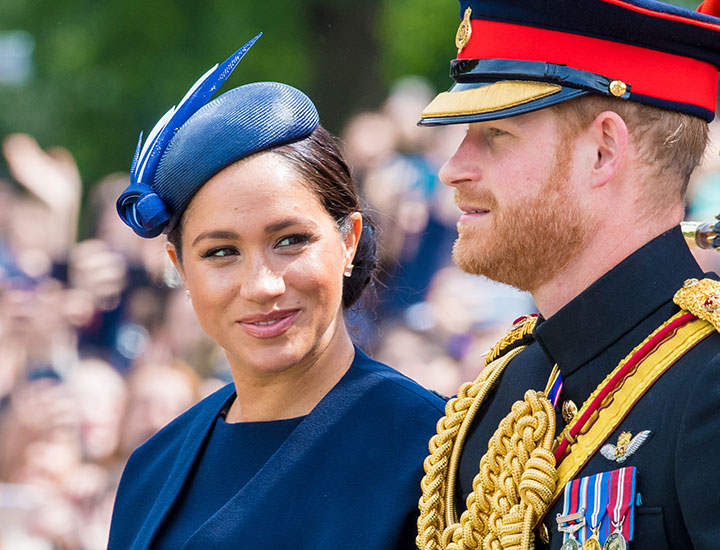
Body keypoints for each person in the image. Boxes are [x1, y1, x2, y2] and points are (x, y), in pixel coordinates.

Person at [106, 35, 445, 550]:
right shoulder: (151, 470)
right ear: (179, 269)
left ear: (348, 240)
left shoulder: (433, 453)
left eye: (290, 241)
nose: (263, 285)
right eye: (220, 252)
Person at [414, 1, 720, 549]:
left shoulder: (709, 384)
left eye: (496, 134)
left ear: (602, 151)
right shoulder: (502, 393)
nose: (453, 168)